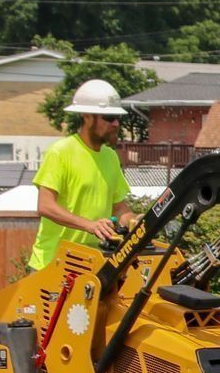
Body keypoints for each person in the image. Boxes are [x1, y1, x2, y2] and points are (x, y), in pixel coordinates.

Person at [26, 79, 139, 271]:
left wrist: (135, 220)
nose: (115, 124)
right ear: (87, 116)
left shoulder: (110, 157)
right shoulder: (61, 152)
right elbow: (45, 206)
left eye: (117, 118)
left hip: (90, 266)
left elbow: (119, 208)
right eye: (108, 117)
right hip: (51, 265)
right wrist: (89, 225)